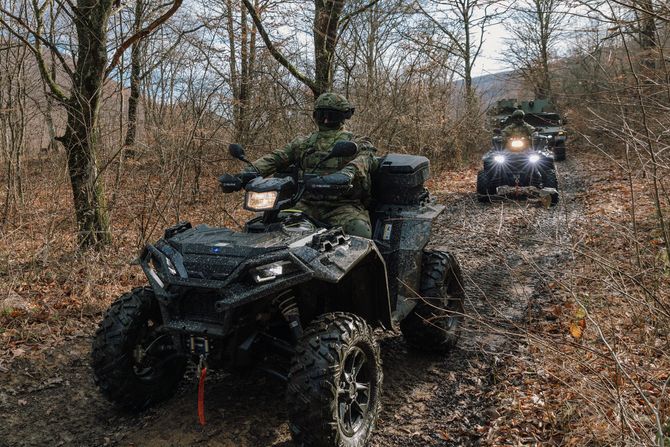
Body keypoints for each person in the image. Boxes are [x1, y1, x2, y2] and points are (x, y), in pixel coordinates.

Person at [245, 92, 377, 238]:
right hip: (306, 204)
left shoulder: (357, 141)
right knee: (271, 228)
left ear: (343, 116)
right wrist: (247, 173)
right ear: (315, 116)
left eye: (331, 115)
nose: (326, 119)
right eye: (322, 114)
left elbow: (366, 158)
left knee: (359, 232)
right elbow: (276, 158)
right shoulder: (304, 143)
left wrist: (348, 173)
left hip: (343, 205)